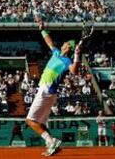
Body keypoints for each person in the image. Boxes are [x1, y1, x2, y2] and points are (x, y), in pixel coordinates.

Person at [26, 18, 83, 156]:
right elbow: (49, 41)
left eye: (65, 43)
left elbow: (74, 71)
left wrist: (77, 55)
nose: (62, 43)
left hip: (46, 91)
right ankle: (52, 145)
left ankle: (51, 141)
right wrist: (42, 29)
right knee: (41, 122)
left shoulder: (67, 60)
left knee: (30, 120)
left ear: (68, 47)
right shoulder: (57, 52)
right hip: (48, 92)